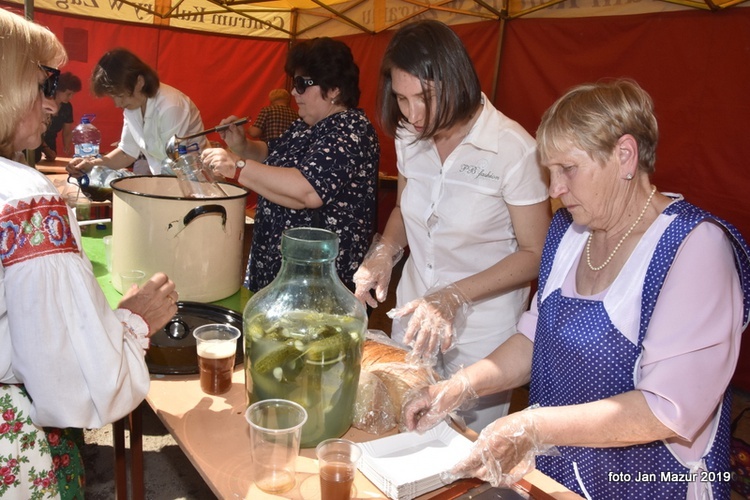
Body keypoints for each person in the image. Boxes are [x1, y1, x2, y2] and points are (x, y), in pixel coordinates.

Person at [402, 79, 750, 500]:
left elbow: (668, 411)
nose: (555, 189)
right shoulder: (569, 232)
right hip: (559, 475)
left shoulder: (694, 248)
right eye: (550, 172)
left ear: (624, 156)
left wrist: (533, 425)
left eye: (568, 169)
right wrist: (458, 387)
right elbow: (536, 338)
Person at [0, 10, 179, 497]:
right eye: (43, 85)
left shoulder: (172, 106)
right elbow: (73, 378)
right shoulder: (23, 197)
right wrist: (133, 322)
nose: (53, 104)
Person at [352, 20, 550, 431]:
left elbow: (536, 253)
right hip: (413, 314)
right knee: (398, 427)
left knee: (462, 449)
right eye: (402, 98)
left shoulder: (514, 149)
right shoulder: (409, 136)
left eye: (424, 98)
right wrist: (385, 251)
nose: (413, 114)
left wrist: (454, 296)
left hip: (482, 332)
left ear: (456, 79)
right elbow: (407, 209)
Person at [201, 37, 380, 292]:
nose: (294, 92)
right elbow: (269, 156)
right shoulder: (304, 125)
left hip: (314, 282)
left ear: (334, 89)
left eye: (302, 84)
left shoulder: (352, 129)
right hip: (281, 270)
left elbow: (307, 191)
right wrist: (242, 145)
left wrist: (238, 167)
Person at [66, 48, 205, 177]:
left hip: (195, 184)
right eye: (112, 97)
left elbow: (173, 164)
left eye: (120, 96)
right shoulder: (133, 106)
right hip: (166, 182)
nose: (117, 104)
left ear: (139, 82)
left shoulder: (170, 105)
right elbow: (127, 153)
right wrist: (91, 164)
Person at [35, 71, 81, 162]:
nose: (71, 97)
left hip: (51, 143)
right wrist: (45, 148)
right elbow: (35, 129)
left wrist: (67, 145)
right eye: (68, 94)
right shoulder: (42, 103)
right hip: (35, 142)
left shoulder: (67, 107)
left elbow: (67, 131)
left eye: (73, 94)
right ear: (58, 90)